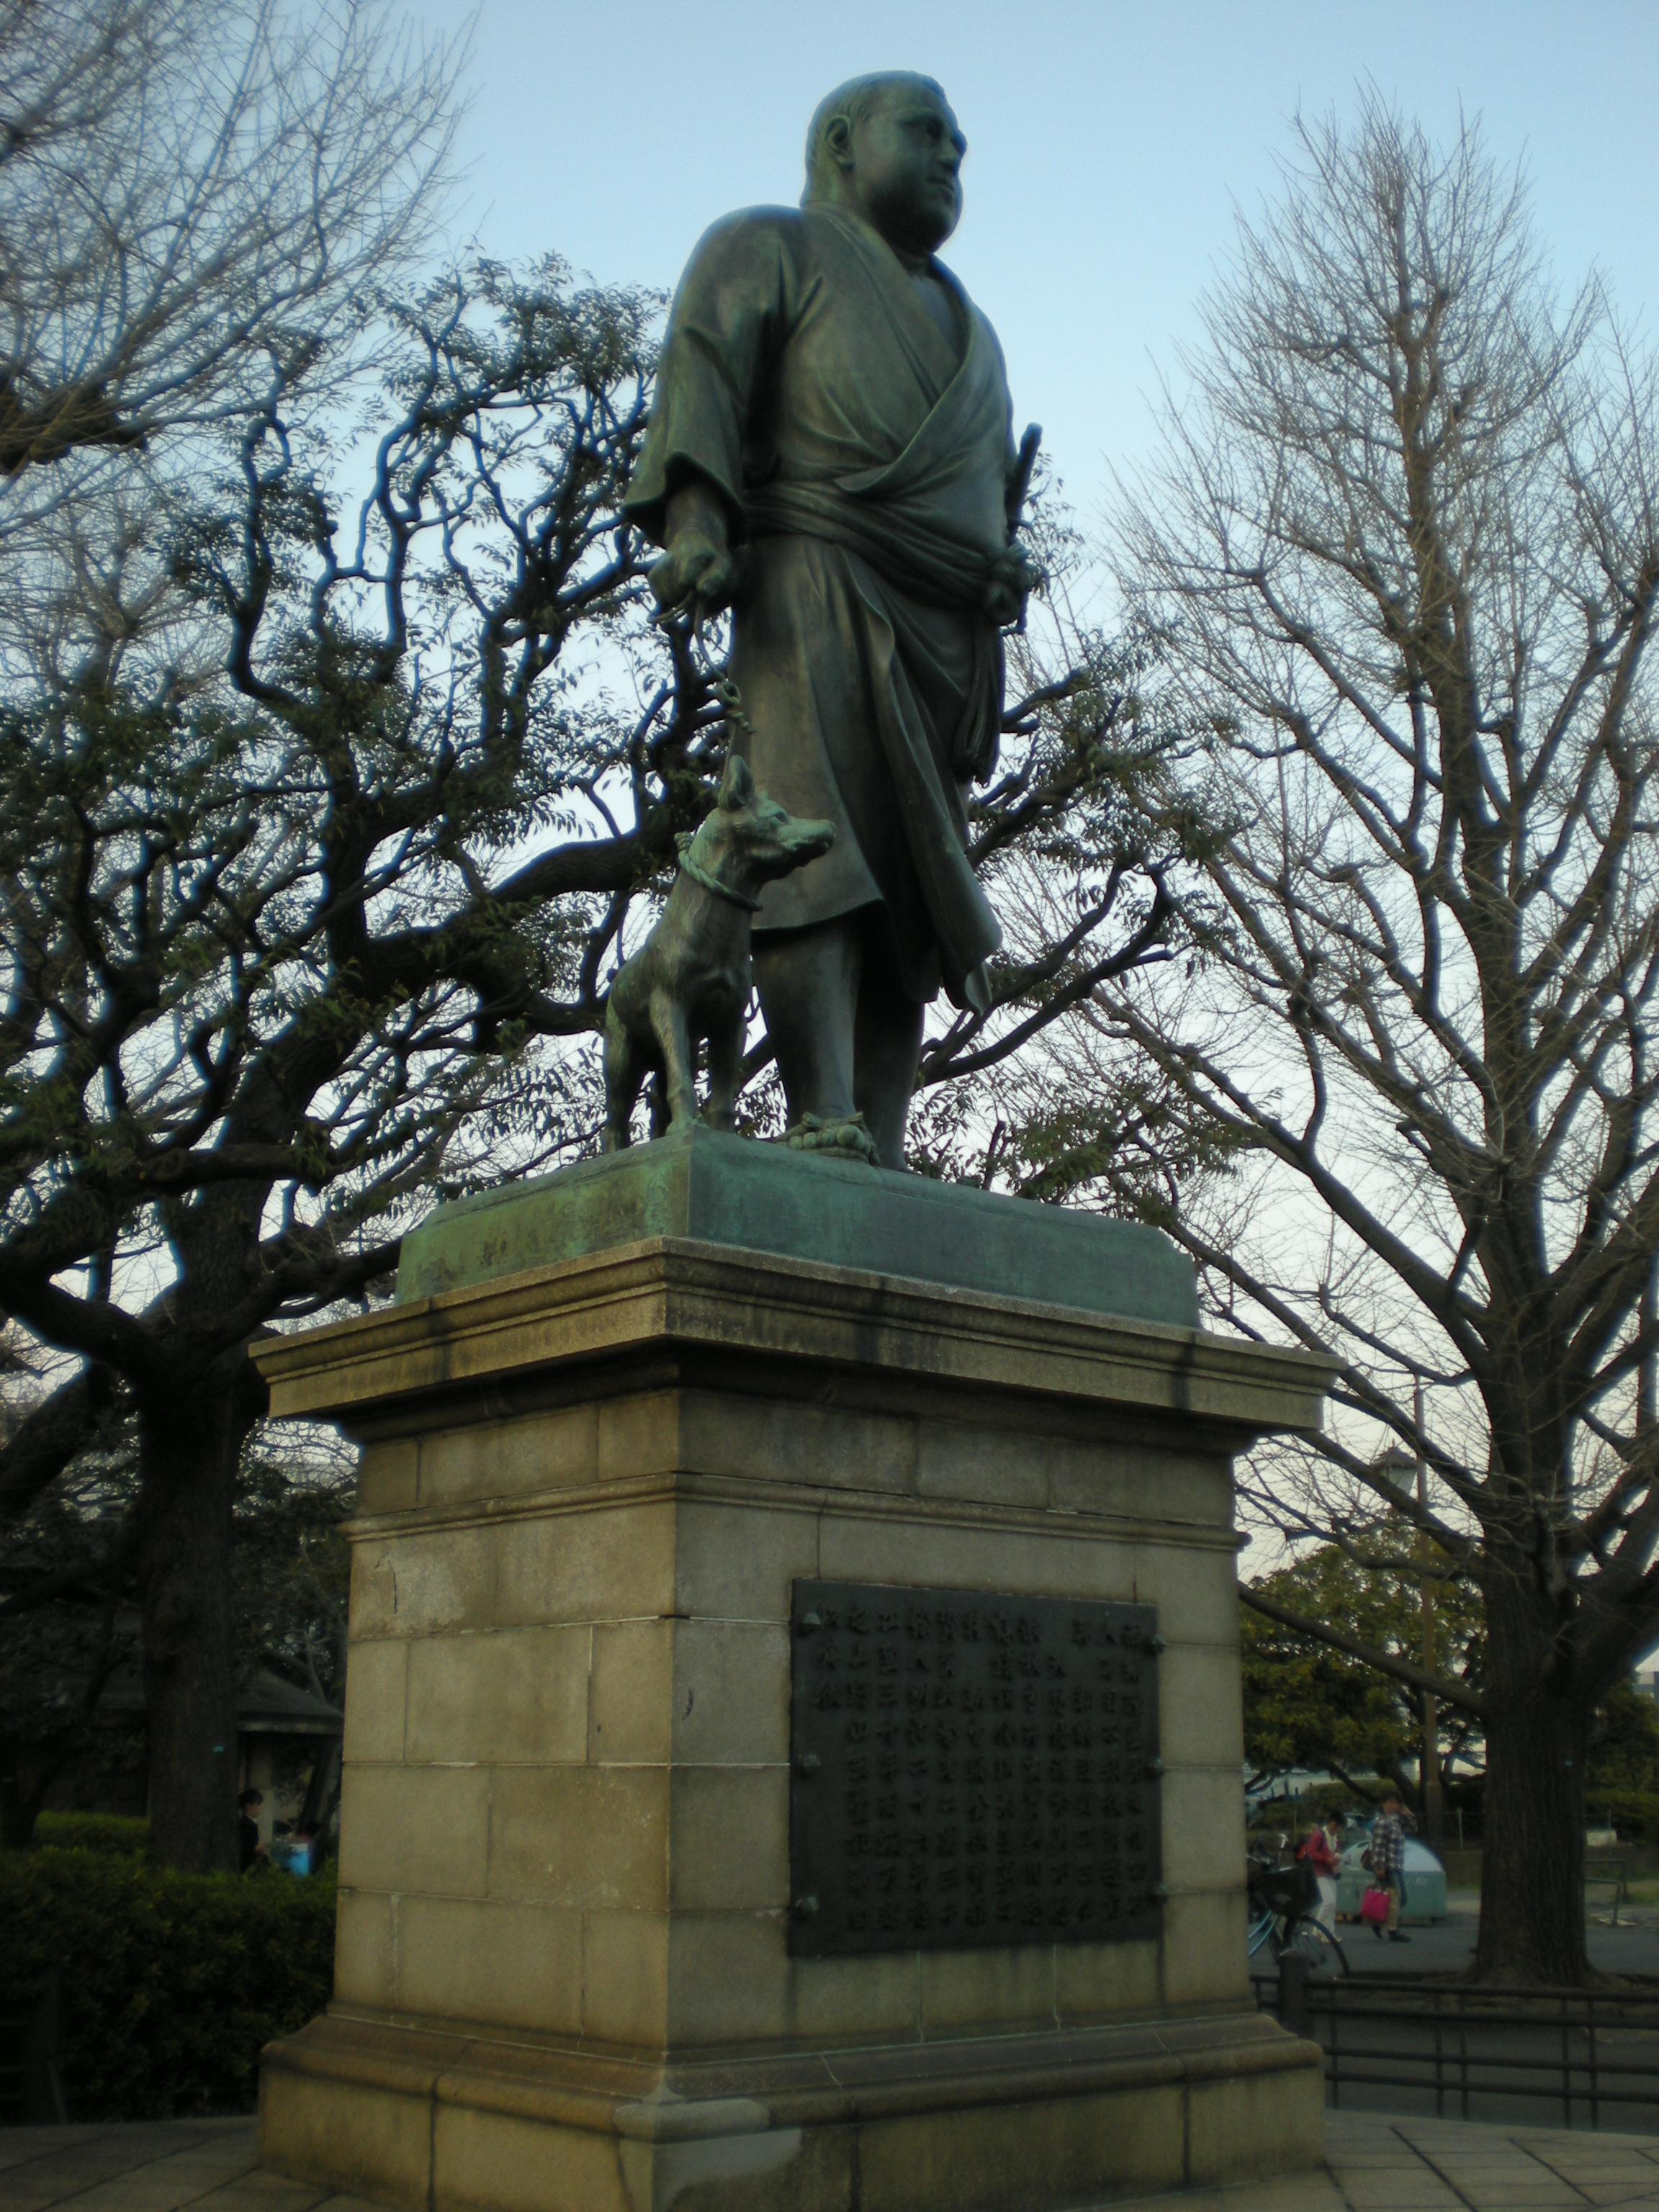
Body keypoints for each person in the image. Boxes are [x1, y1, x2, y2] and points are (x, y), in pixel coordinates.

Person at [624, 71, 1037, 1169]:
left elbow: (982, 487)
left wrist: (996, 573)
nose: (952, 155)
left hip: (943, 630)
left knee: (913, 886)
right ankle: (822, 1111)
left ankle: (879, 1147)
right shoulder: (767, 245)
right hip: (809, 573)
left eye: (962, 143)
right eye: (928, 133)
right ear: (846, 142)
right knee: (814, 842)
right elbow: (707, 374)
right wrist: (698, 523)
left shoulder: (975, 328)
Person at [1369, 1791, 1416, 1942]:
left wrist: (1408, 1814)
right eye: (1391, 1802)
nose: (1394, 1806)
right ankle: (1393, 1930)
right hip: (1388, 1866)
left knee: (1403, 1899)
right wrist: (1380, 1867)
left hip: (1397, 1864)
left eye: (1396, 1803)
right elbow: (1379, 1846)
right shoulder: (1382, 1822)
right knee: (1396, 1897)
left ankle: (1378, 1922)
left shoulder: (1396, 1821)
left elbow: (1413, 1828)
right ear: (1384, 1804)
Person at [1298, 1813, 1341, 1934]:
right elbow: (1311, 1852)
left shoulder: (1334, 1838)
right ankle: (1317, 1928)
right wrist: (1326, 1859)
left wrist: (1337, 1859)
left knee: (1332, 1906)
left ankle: (1329, 1933)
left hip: (1331, 1873)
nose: (1340, 1830)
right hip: (1320, 1872)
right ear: (1334, 1824)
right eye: (1340, 1827)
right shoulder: (1320, 1835)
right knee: (1329, 1902)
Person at [237, 1786, 266, 1872]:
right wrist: (256, 1849)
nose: (260, 1807)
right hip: (247, 1866)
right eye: (258, 1804)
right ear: (249, 1806)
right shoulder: (248, 1825)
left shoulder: (245, 1822)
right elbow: (245, 1848)